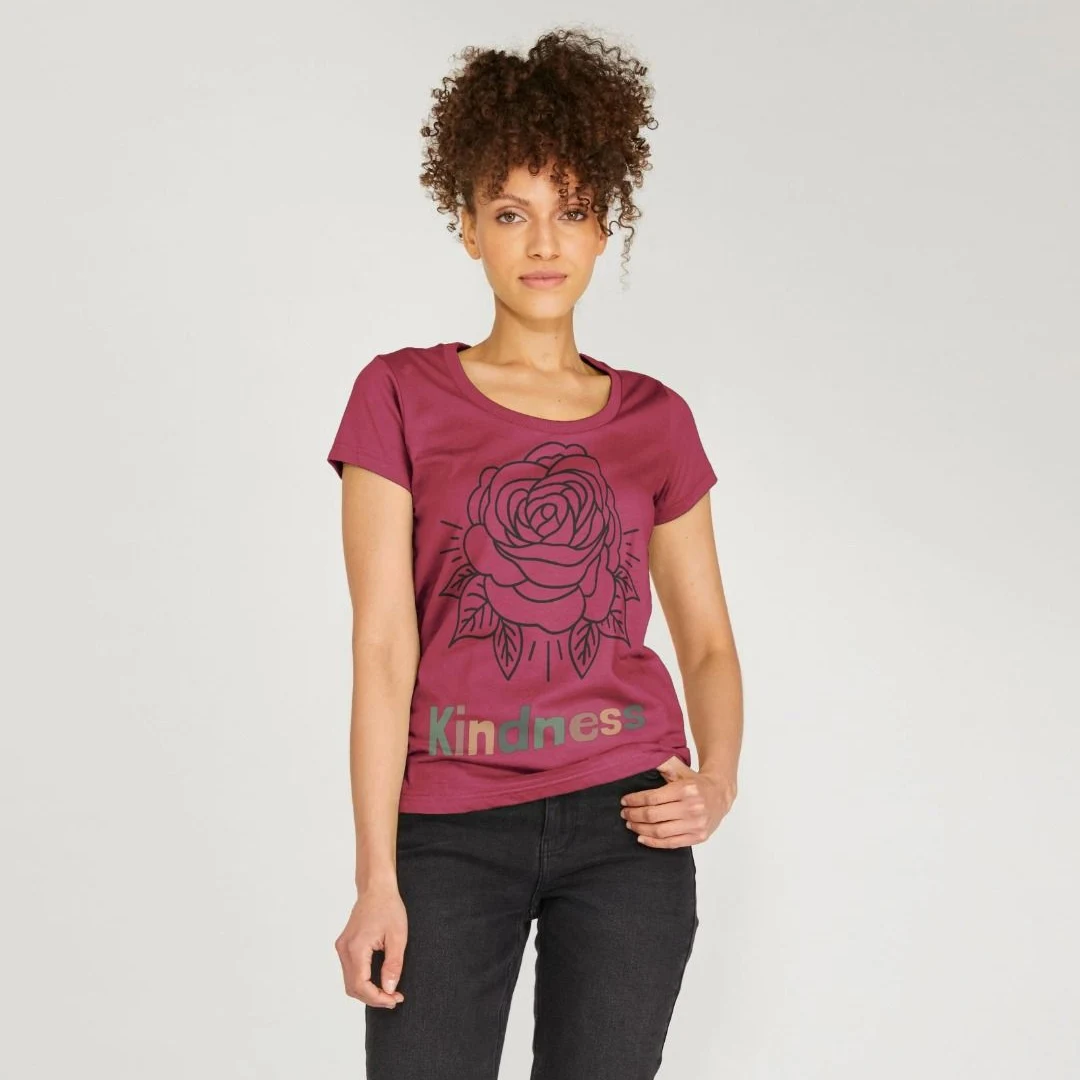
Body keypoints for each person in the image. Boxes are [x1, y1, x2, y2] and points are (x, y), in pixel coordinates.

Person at [327, 27, 742, 1080]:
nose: (543, 242)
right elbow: (383, 646)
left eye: (573, 210)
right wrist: (376, 877)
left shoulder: (656, 420)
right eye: (511, 212)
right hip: (449, 828)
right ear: (468, 226)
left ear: (606, 229)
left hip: (625, 828)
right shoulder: (399, 395)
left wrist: (719, 779)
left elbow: (706, 642)